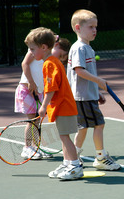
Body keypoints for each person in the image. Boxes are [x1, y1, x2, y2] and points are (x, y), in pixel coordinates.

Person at [24, 27, 82, 180]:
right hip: (62, 106)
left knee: (65, 138)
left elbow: (51, 88)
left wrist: (43, 106)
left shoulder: (49, 64)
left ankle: (75, 166)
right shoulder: (52, 61)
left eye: (32, 49)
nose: (30, 52)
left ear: (43, 47)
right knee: (64, 136)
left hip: (64, 106)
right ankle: (67, 163)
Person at [67, 9, 120, 171]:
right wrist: (99, 81)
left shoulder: (87, 48)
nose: (94, 30)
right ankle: (101, 157)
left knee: (83, 127)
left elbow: (85, 74)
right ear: (78, 28)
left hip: (86, 95)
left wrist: (96, 91)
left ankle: (73, 155)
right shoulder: (79, 48)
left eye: (95, 27)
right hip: (82, 97)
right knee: (99, 125)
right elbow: (79, 71)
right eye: (90, 27)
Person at [15, 35, 71, 160]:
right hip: (27, 89)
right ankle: (27, 147)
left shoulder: (48, 58)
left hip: (38, 91)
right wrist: (31, 82)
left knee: (37, 121)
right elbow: (24, 64)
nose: (61, 59)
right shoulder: (34, 51)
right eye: (61, 55)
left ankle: (35, 147)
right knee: (32, 119)